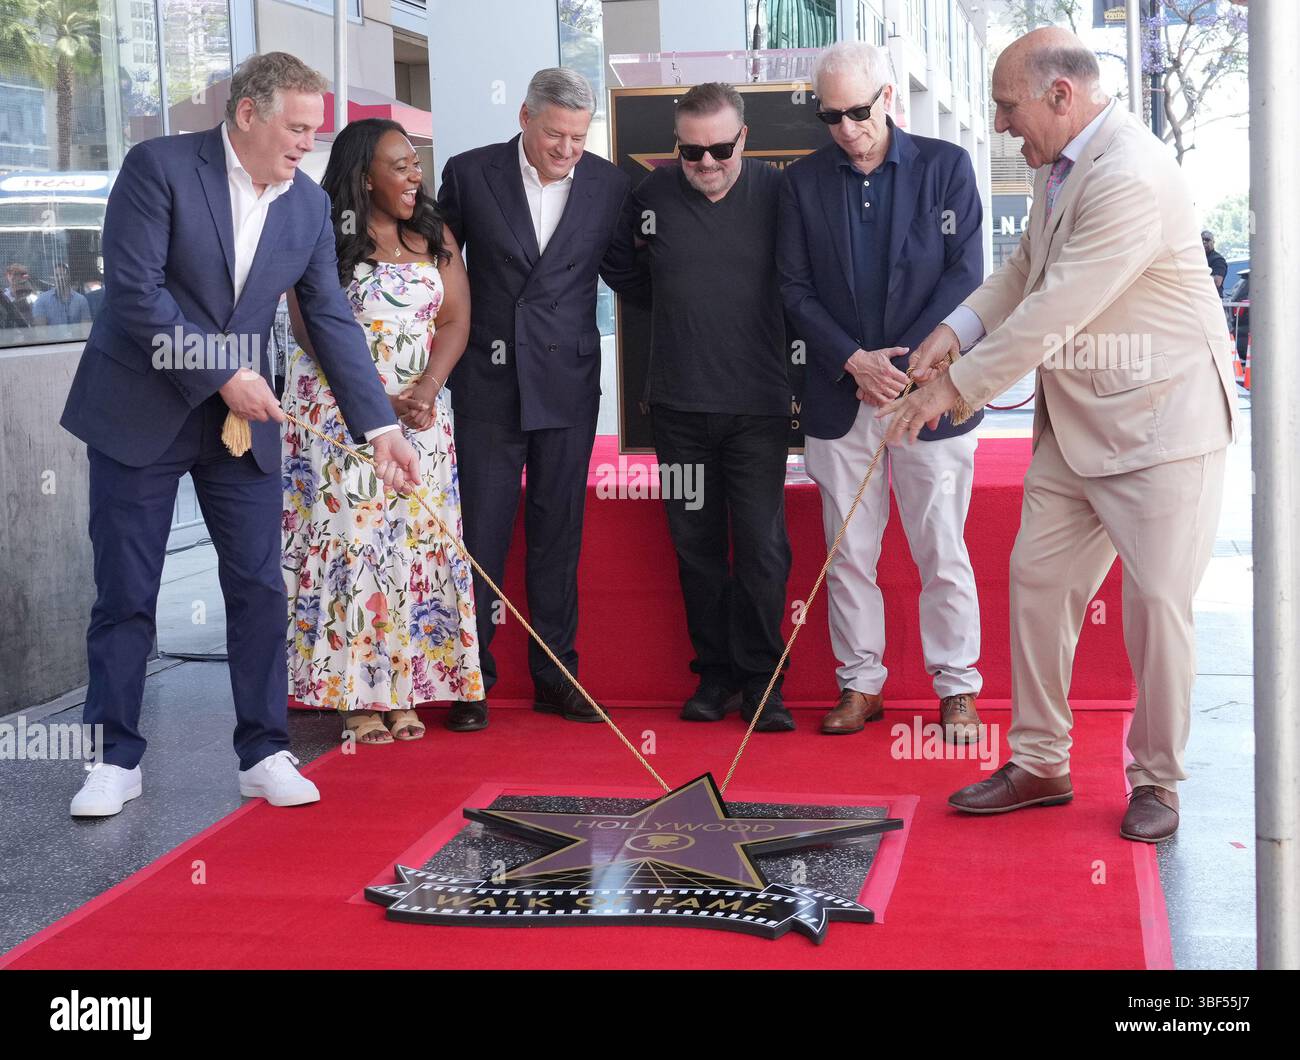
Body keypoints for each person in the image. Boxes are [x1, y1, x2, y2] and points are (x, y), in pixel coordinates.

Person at [885, 28, 1237, 843]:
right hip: (1075, 426)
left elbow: (1057, 308)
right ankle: (1041, 760)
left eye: (1008, 107)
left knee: (1157, 611)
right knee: (1037, 588)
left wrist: (953, 390)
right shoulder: (1058, 168)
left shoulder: (1133, 175)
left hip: (1161, 428)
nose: (1002, 125)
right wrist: (955, 328)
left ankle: (1158, 781)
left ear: (1059, 96)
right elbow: (1022, 274)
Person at [59, 52, 421, 817]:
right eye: (295, 128)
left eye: (313, 133)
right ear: (247, 114)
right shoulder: (157, 167)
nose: (305, 146)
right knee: (127, 592)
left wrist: (380, 425)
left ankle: (264, 750)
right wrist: (224, 371)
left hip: (239, 426)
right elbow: (135, 293)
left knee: (258, 584)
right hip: (139, 410)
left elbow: (327, 316)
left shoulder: (307, 206)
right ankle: (114, 759)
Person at [778, 41, 986, 742]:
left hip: (929, 393)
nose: (845, 127)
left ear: (888, 97)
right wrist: (852, 361)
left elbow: (968, 276)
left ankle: (957, 686)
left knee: (941, 548)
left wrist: (914, 367)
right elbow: (793, 288)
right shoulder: (801, 183)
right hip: (843, 399)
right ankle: (860, 684)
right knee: (847, 552)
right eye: (830, 114)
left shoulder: (946, 168)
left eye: (858, 111)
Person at [435, 67, 639, 731]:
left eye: (578, 137)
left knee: (559, 533)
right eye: (556, 133)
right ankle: (471, 679)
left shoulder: (610, 184)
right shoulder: (468, 175)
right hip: (488, 382)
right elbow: (434, 270)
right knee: (483, 533)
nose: (567, 149)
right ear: (524, 116)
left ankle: (558, 677)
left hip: (568, 383)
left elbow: (630, 274)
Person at [282, 118, 483, 744]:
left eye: (416, 163)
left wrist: (426, 390)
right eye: (399, 165)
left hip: (420, 416)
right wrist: (375, 399)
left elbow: (454, 319)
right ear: (363, 176)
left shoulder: (433, 232)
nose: (414, 174)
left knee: (412, 554)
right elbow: (311, 328)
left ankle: (406, 688)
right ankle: (356, 695)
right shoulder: (325, 233)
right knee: (355, 550)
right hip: (343, 417)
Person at [625, 82, 794, 731]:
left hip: (758, 408)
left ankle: (761, 682)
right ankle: (715, 675)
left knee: (760, 548)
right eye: (691, 152)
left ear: (743, 139)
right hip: (676, 411)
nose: (707, 163)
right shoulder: (650, 197)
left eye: (720, 149)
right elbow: (630, 272)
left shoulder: (779, 195)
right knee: (695, 546)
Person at [33, 263, 91, 327]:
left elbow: (85, 328)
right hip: (52, 337)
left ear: (68, 276)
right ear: (53, 277)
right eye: (57, 275)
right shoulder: (42, 300)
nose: (60, 278)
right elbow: (41, 330)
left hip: (77, 337)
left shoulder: (81, 300)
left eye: (63, 274)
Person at [1202, 230, 1228, 297]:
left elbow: (1217, 282)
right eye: (1201, 240)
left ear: (1213, 242)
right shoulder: (1198, 258)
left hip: (1212, 300)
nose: (1203, 242)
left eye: (1207, 240)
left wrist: (1197, 277)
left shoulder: (1218, 259)